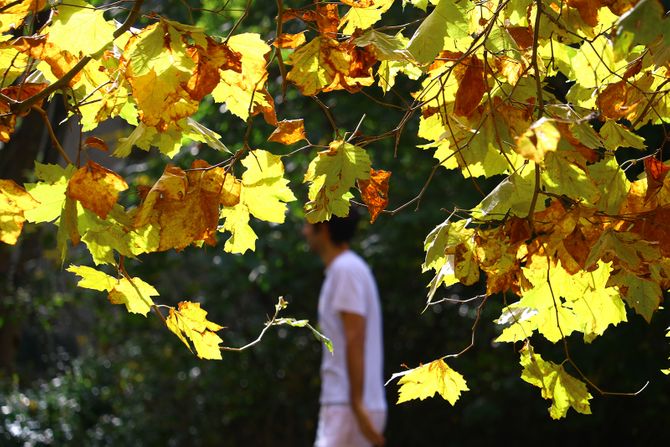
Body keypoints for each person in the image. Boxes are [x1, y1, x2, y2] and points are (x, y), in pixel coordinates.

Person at [302, 209, 387, 447]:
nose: (305, 231)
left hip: (348, 405)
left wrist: (357, 405)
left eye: (309, 225)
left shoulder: (345, 270)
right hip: (347, 403)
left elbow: (355, 337)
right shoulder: (344, 269)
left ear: (325, 229)